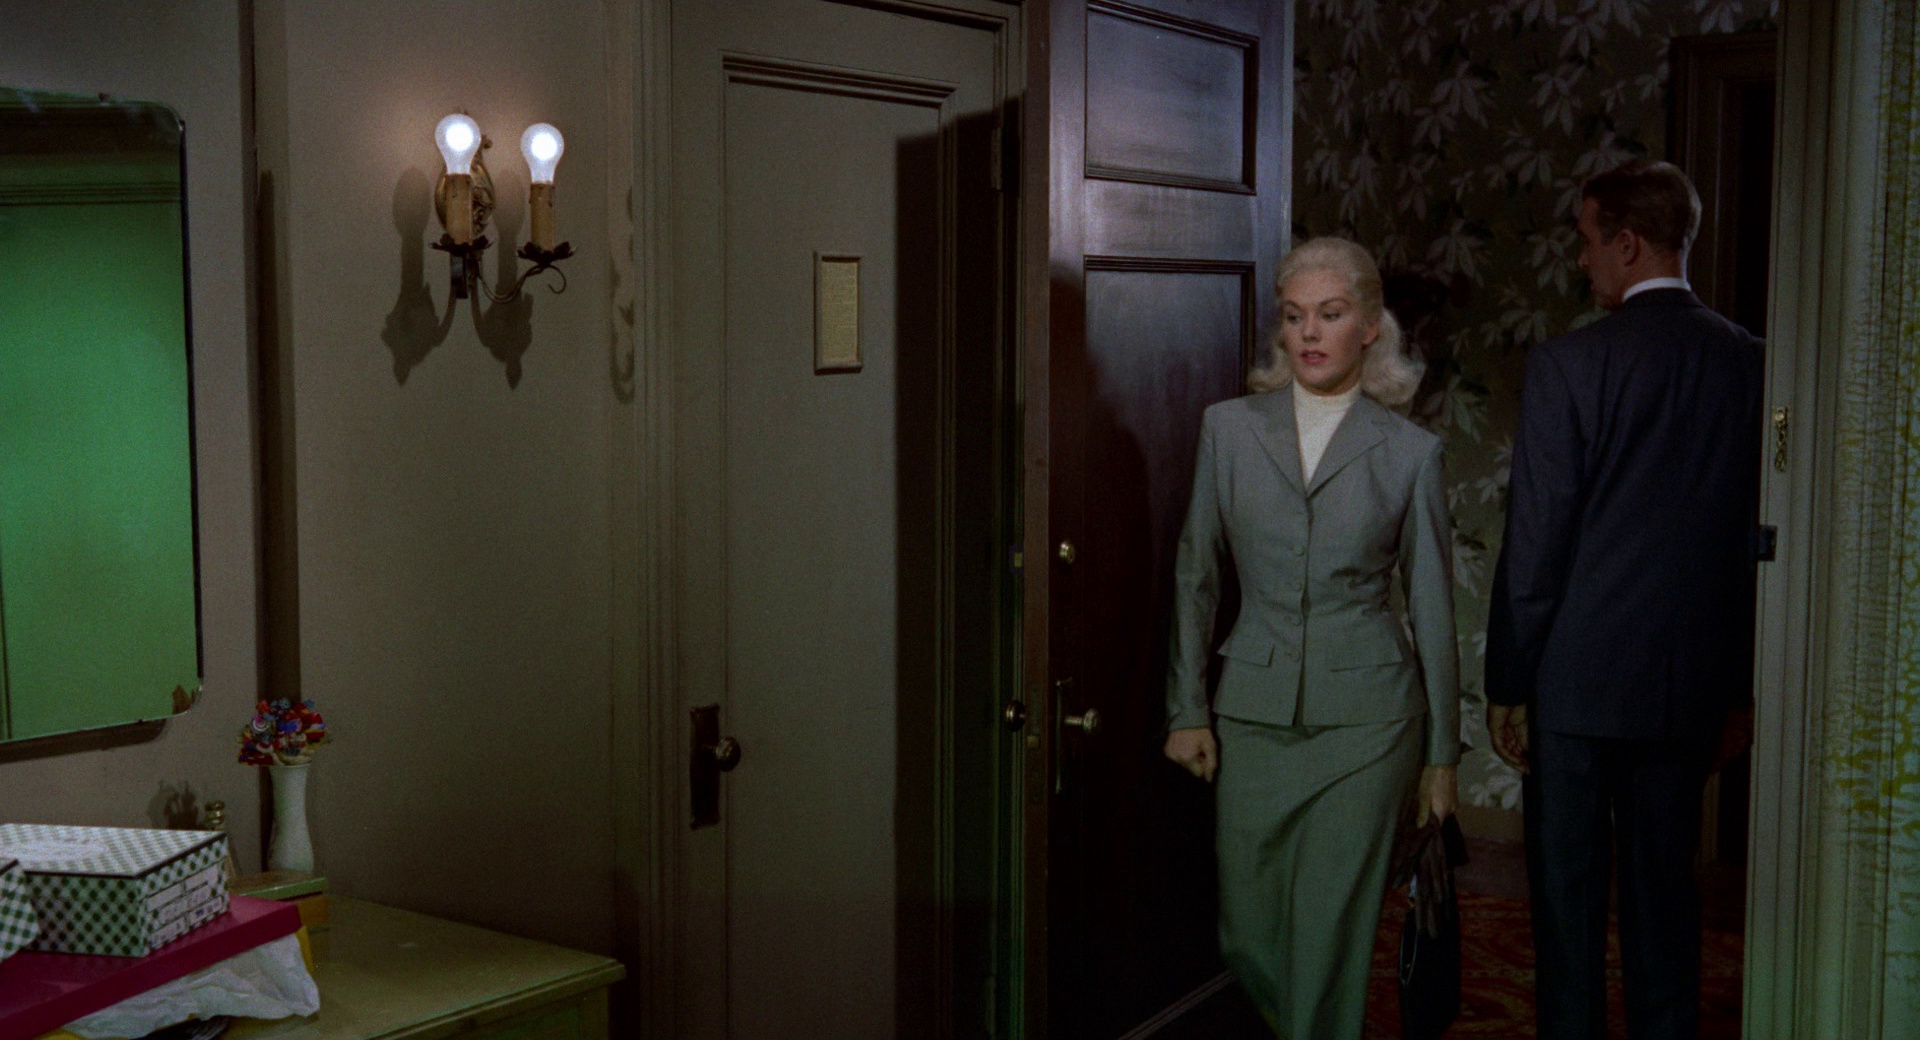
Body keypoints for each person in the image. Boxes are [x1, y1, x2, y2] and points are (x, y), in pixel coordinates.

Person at [1485, 159, 1763, 1040]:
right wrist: (1739, 688)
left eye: (1586, 240)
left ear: (1628, 242)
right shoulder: (1751, 362)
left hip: (1575, 684)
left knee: (1566, 911)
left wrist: (1507, 682)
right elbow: (1753, 548)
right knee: (1665, 901)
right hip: (1686, 685)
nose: (1581, 260)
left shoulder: (1569, 364)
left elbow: (1536, 545)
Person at [1163, 237, 1461, 1039]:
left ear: (1370, 327)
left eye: (1329, 315)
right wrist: (1186, 709)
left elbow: (1433, 607)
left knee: (1328, 940)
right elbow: (1196, 575)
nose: (1309, 334)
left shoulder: (1410, 453)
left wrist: (1442, 756)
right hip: (1252, 715)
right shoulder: (1227, 430)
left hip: (1368, 727)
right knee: (1249, 937)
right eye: (1294, 317)